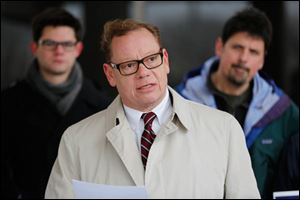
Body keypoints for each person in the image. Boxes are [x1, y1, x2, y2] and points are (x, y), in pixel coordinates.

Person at [45, 18, 260, 199]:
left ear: (165, 61)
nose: (143, 72)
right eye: (129, 65)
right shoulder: (76, 141)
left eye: (151, 59)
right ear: (110, 74)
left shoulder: (224, 130)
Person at [176, 7, 299, 199]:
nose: (243, 58)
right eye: (238, 47)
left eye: (253, 52)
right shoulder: (179, 102)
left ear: (262, 60)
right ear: (219, 47)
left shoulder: (284, 113)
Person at [1, 8, 111, 198]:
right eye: (50, 43)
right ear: (35, 48)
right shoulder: (7, 104)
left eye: (67, 44)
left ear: (78, 49)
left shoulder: (103, 104)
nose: (59, 51)